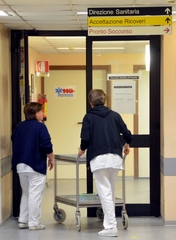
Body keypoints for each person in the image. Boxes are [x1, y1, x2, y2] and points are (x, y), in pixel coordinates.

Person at [78, 89, 132, 237]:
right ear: (105, 100)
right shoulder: (114, 115)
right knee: (110, 191)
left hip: (99, 159)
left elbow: (86, 138)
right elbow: (127, 134)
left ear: (91, 103)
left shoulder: (89, 117)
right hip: (115, 157)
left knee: (105, 192)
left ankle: (110, 227)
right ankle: (110, 224)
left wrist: (81, 149)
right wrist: (127, 144)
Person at [11, 102, 54, 230]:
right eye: (41, 111)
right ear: (35, 113)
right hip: (35, 164)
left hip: (20, 165)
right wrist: (51, 159)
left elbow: (14, 139)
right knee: (35, 194)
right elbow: (46, 145)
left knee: (26, 193)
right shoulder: (40, 127)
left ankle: (23, 220)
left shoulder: (19, 126)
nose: (43, 114)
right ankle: (33, 222)